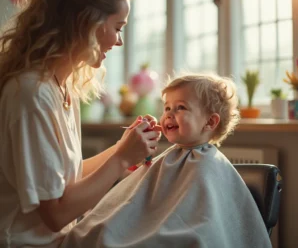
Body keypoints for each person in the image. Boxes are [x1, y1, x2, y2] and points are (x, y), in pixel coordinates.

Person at [0, 0, 161, 247]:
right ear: (88, 21)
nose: (119, 41)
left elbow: (64, 181)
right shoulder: (31, 95)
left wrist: (122, 150)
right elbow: (55, 213)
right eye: (118, 27)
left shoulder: (61, 87)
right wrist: (122, 157)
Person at [61, 72, 272, 248]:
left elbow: (204, 225)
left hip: (178, 235)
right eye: (167, 108)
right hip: (146, 229)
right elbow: (141, 204)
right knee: (98, 230)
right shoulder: (167, 157)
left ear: (210, 121)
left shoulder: (210, 166)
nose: (169, 114)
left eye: (180, 107)